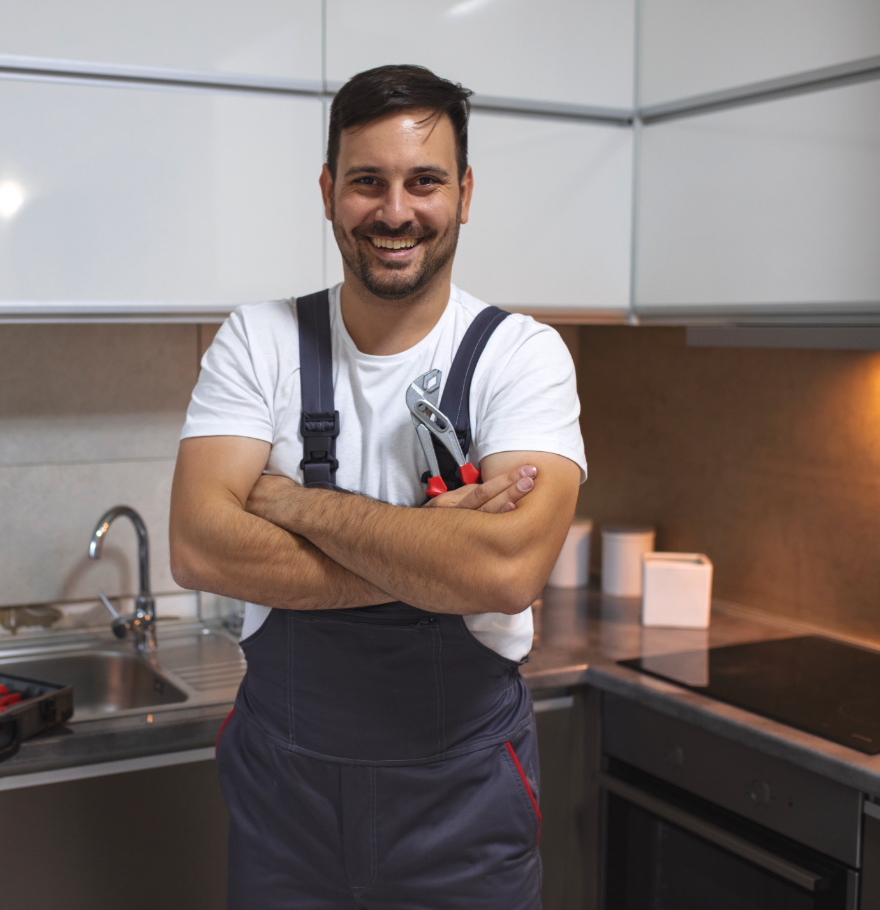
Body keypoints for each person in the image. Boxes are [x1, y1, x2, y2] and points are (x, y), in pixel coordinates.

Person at [170, 64, 586, 909]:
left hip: (462, 808)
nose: (395, 212)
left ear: (464, 194)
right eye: (367, 182)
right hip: (285, 804)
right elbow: (197, 544)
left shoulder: (522, 357)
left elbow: (505, 574)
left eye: (424, 181)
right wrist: (438, 554)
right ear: (328, 193)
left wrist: (288, 504)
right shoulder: (261, 341)